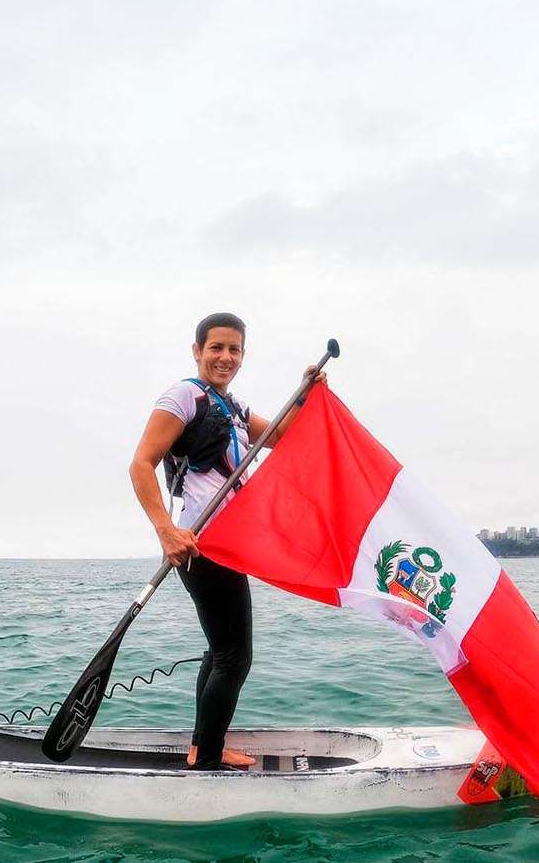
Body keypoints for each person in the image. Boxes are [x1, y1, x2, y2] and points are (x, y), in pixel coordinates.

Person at [128, 312, 324, 770]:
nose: (225, 357)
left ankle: (203, 746)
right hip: (203, 544)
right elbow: (141, 463)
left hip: (231, 544)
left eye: (234, 349)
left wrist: (305, 391)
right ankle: (210, 761)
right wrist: (165, 530)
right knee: (235, 657)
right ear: (197, 351)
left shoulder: (232, 407)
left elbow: (281, 435)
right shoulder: (184, 396)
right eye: (216, 347)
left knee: (221, 651)